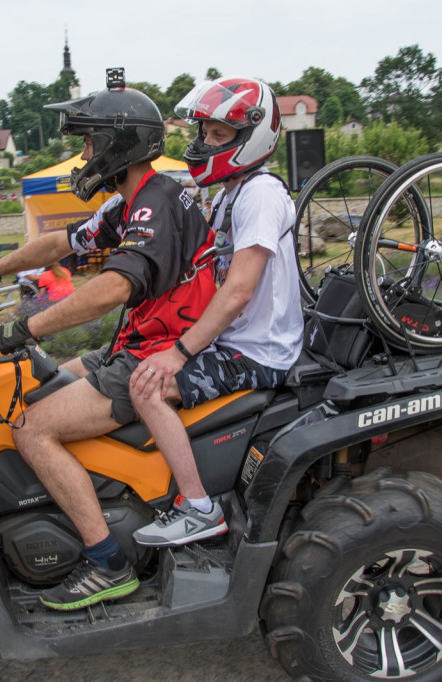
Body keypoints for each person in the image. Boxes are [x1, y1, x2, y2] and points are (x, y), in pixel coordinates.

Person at [0, 78, 215, 611]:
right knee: (38, 383)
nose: (83, 156)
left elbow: (114, 288)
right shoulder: (132, 201)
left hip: (153, 354)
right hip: (135, 341)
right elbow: (62, 243)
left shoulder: (154, 204)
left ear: (121, 143)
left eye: (90, 143)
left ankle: (107, 564)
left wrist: (22, 328)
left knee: (30, 429)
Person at [125, 77, 301, 546]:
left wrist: (179, 353)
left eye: (219, 136)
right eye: (204, 133)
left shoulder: (260, 194)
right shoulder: (230, 193)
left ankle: (198, 507)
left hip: (258, 351)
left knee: (148, 387)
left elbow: (239, 289)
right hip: (236, 340)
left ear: (252, 137)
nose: (205, 144)